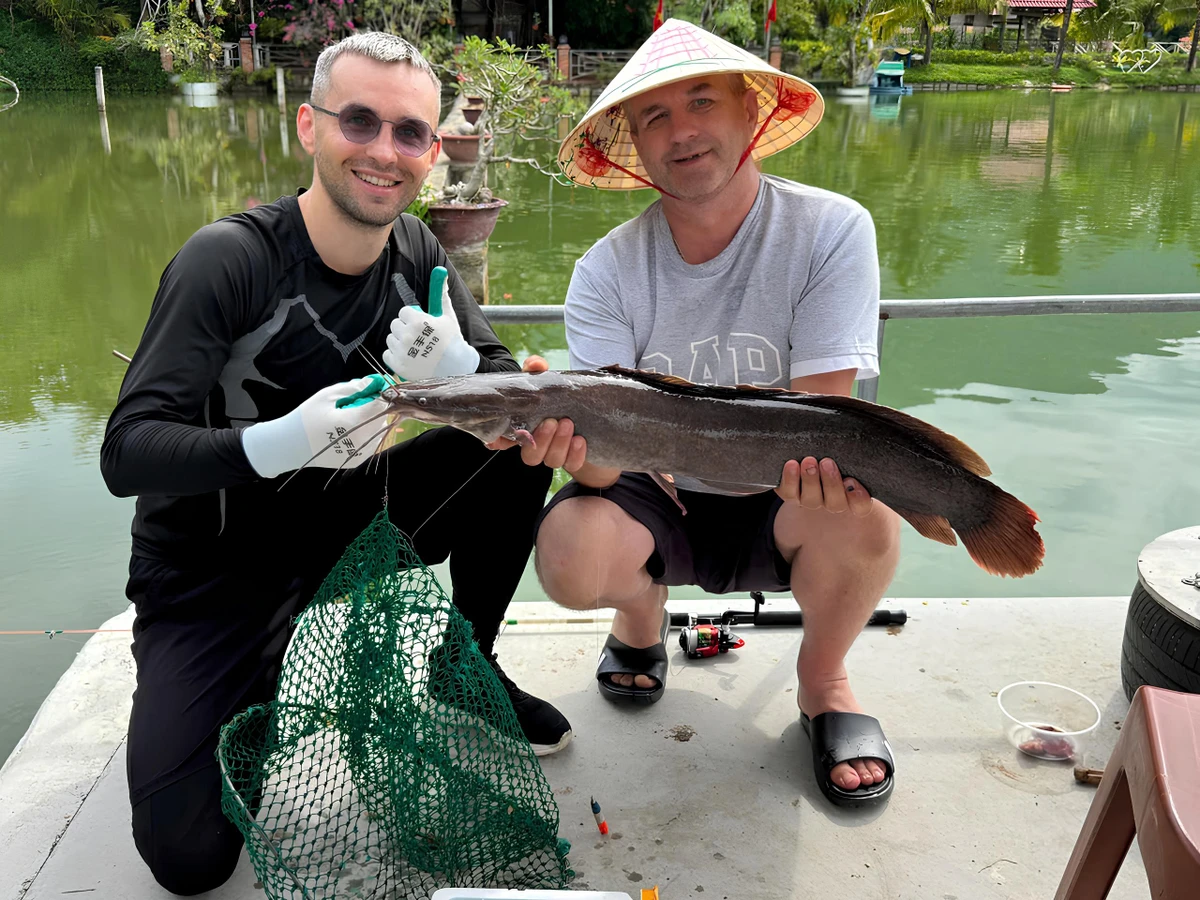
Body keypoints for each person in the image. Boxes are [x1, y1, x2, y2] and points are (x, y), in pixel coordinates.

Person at [100, 32, 571, 895]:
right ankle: (235, 676)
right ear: (309, 127)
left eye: (408, 132)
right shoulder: (229, 260)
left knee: (513, 450)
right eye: (360, 121)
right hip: (215, 565)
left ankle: (468, 664)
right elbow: (127, 452)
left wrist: (465, 378)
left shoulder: (420, 254)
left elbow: (511, 386)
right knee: (190, 859)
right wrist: (280, 441)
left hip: (355, 528)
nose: (383, 152)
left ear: (433, 151)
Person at [511, 19, 901, 808]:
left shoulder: (831, 229)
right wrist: (567, 440)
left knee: (868, 517)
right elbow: (609, 464)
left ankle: (824, 682)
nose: (682, 131)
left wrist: (814, 481)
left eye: (701, 102)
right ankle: (640, 620)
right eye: (654, 116)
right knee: (567, 545)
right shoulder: (604, 271)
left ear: (749, 111)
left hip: (786, 479)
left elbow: (821, 418)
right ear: (632, 143)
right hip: (657, 490)